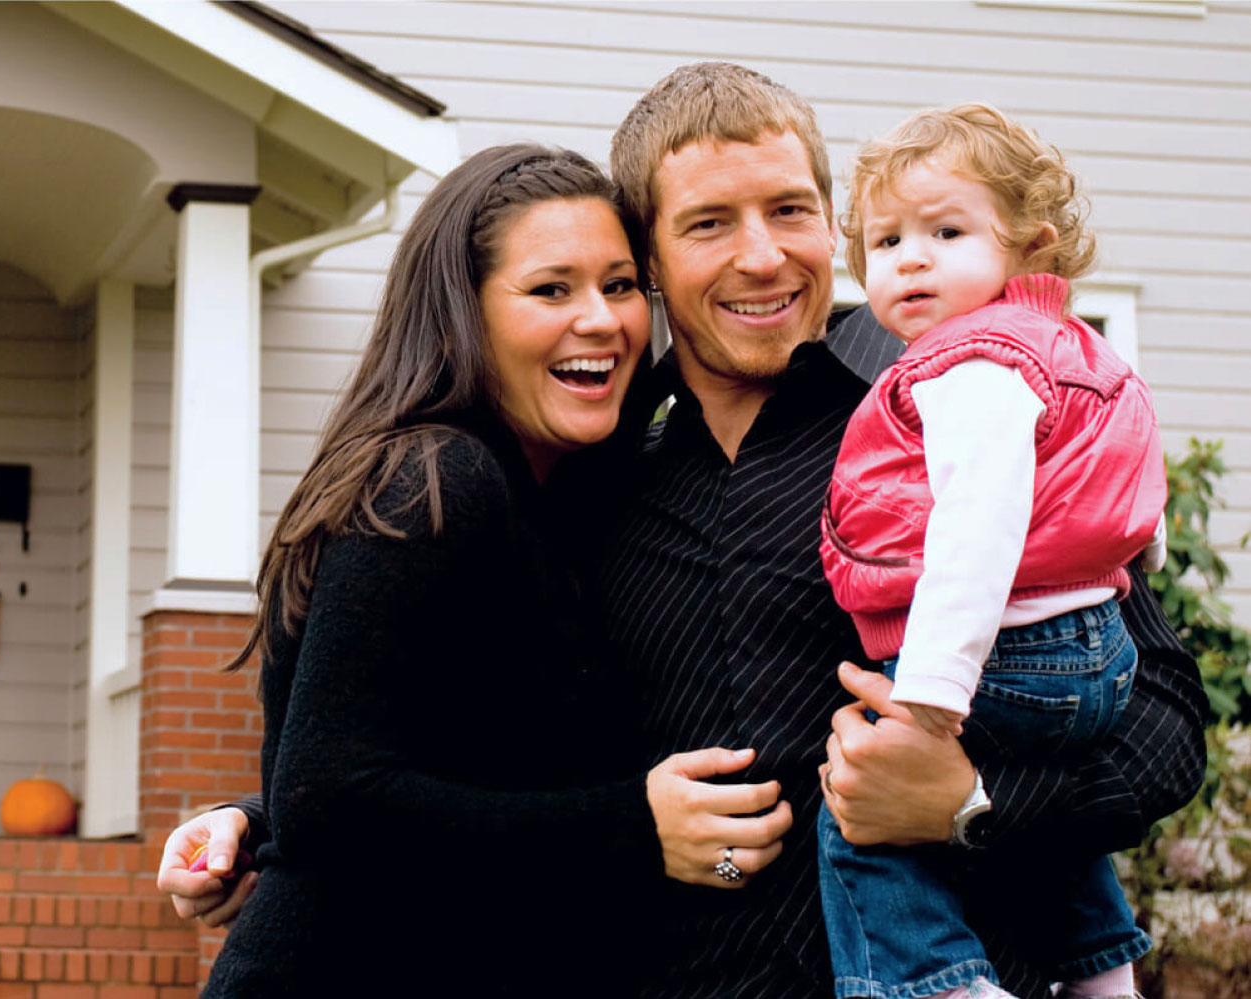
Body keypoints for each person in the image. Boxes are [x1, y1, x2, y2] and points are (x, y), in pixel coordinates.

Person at [161, 66, 1208, 999]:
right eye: (708, 224)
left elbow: (1163, 718)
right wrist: (270, 824)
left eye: (790, 210)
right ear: (651, 261)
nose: (763, 256)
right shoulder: (583, 482)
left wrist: (972, 802)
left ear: (831, 225)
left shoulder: (944, 432)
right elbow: (475, 749)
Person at [185, 144, 794, 998]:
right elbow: (332, 797)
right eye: (551, 289)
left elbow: (431, 758)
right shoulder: (433, 478)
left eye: (620, 285)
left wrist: (248, 825)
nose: (601, 319)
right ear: (461, 315)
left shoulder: (558, 495)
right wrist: (633, 824)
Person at [814, 103, 1168, 999]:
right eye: (886, 240)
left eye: (946, 231)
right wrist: (1135, 563)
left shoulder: (970, 365)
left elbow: (975, 528)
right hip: (1094, 644)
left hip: (1007, 656)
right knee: (1052, 822)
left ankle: (940, 983)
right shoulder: (1073, 348)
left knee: (857, 814)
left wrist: (932, 693)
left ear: (1029, 247)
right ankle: (1106, 976)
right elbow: (1120, 471)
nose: (911, 257)